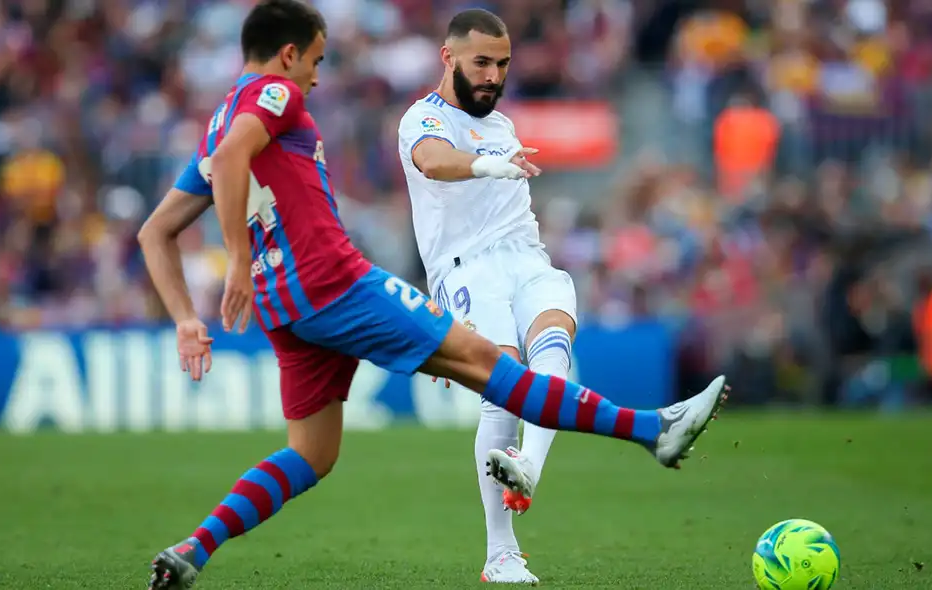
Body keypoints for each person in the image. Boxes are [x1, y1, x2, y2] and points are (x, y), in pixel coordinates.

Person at [137, 2, 728, 589]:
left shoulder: (214, 124)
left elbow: (155, 230)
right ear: (289, 54)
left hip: (284, 307)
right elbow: (241, 153)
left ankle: (196, 546)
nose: (316, 77)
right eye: (315, 61)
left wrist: (186, 317)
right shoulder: (275, 95)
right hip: (334, 282)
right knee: (493, 368)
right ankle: (653, 428)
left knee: (311, 454)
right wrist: (237, 261)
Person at [395, 8, 570, 583]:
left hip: (527, 258)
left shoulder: (503, 126)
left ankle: (531, 467)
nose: (494, 75)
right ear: (449, 58)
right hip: (465, 270)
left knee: (555, 335)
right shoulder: (423, 119)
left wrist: (499, 157)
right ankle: (501, 554)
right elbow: (433, 162)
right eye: (482, 62)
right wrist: (490, 167)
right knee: (505, 382)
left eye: (502, 64)